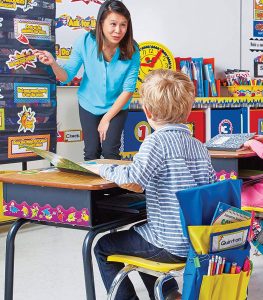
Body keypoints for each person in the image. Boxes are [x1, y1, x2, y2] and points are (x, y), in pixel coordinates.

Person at [86, 69, 217, 300]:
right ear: (188, 110)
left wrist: (101, 168)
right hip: (196, 242)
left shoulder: (156, 142)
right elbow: (211, 187)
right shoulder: (198, 145)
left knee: (102, 247)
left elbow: (133, 178)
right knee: (141, 233)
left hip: (170, 244)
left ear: (147, 111)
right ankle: (169, 295)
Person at [33, 0, 140, 160]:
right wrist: (53, 64)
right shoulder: (84, 42)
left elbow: (128, 90)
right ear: (101, 23)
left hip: (116, 105)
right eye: (113, 24)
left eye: (123, 25)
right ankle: (93, 186)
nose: (118, 30)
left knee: (110, 151)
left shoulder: (133, 49)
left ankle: (113, 186)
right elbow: (67, 75)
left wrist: (107, 118)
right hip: (88, 103)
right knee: (91, 152)